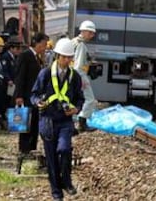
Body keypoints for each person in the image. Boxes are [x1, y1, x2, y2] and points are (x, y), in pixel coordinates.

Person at [31, 38, 84, 201]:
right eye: (64, 57)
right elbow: (34, 94)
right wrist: (37, 102)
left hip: (65, 121)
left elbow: (80, 99)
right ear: (57, 56)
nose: (67, 60)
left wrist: (76, 108)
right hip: (48, 120)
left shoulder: (74, 76)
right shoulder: (45, 74)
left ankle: (66, 181)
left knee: (65, 149)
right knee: (52, 158)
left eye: (70, 57)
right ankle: (56, 192)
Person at [14, 32, 49, 155]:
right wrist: (18, 95)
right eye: (43, 45)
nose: (44, 48)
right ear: (36, 43)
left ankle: (32, 147)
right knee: (25, 123)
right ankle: (24, 148)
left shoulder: (37, 58)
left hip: (35, 96)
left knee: (34, 122)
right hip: (26, 95)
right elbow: (20, 76)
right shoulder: (25, 56)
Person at [72, 20, 97, 132]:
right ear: (84, 31)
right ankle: (82, 122)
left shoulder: (74, 42)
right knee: (90, 99)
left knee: (72, 100)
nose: (92, 35)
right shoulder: (81, 45)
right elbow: (78, 65)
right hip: (79, 75)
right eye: (90, 32)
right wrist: (81, 80)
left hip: (72, 75)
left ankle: (72, 125)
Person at [1, 36, 23, 113]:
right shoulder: (5, 57)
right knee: (8, 100)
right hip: (9, 84)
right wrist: (9, 80)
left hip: (14, 83)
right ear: (11, 48)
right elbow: (4, 70)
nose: (18, 51)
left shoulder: (15, 57)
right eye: (17, 49)